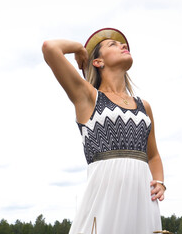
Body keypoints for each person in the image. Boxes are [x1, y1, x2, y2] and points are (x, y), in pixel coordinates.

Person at [42, 28, 166, 233]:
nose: (123, 45)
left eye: (122, 44)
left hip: (143, 199)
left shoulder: (145, 106)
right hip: (104, 199)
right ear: (98, 62)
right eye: (113, 44)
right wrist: (80, 49)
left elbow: (153, 155)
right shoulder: (88, 97)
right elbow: (50, 48)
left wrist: (160, 182)